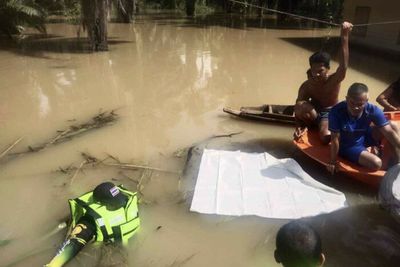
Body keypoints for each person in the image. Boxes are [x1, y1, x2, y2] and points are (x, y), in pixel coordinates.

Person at [45, 182, 140, 267]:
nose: (120, 203)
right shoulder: (128, 201)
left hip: (111, 250)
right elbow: (73, 244)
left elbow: (73, 244)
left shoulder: (90, 220)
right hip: (129, 247)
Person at [294, 21, 353, 144]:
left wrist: (345, 36)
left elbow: (344, 66)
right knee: (300, 105)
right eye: (313, 71)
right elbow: (297, 109)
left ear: (328, 69)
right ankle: (309, 126)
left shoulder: (334, 80)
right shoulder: (306, 85)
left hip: (329, 112)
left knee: (326, 137)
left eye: (320, 71)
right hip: (314, 112)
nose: (316, 74)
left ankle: (326, 128)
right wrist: (298, 125)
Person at [327, 83, 400, 174]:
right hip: (349, 146)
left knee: (392, 125)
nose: (355, 107)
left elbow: (388, 131)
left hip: (364, 136)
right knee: (376, 163)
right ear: (347, 99)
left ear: (366, 101)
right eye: (352, 103)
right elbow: (335, 139)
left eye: (360, 104)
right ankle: (375, 158)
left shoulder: (373, 110)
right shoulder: (336, 112)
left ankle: (397, 164)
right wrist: (333, 161)